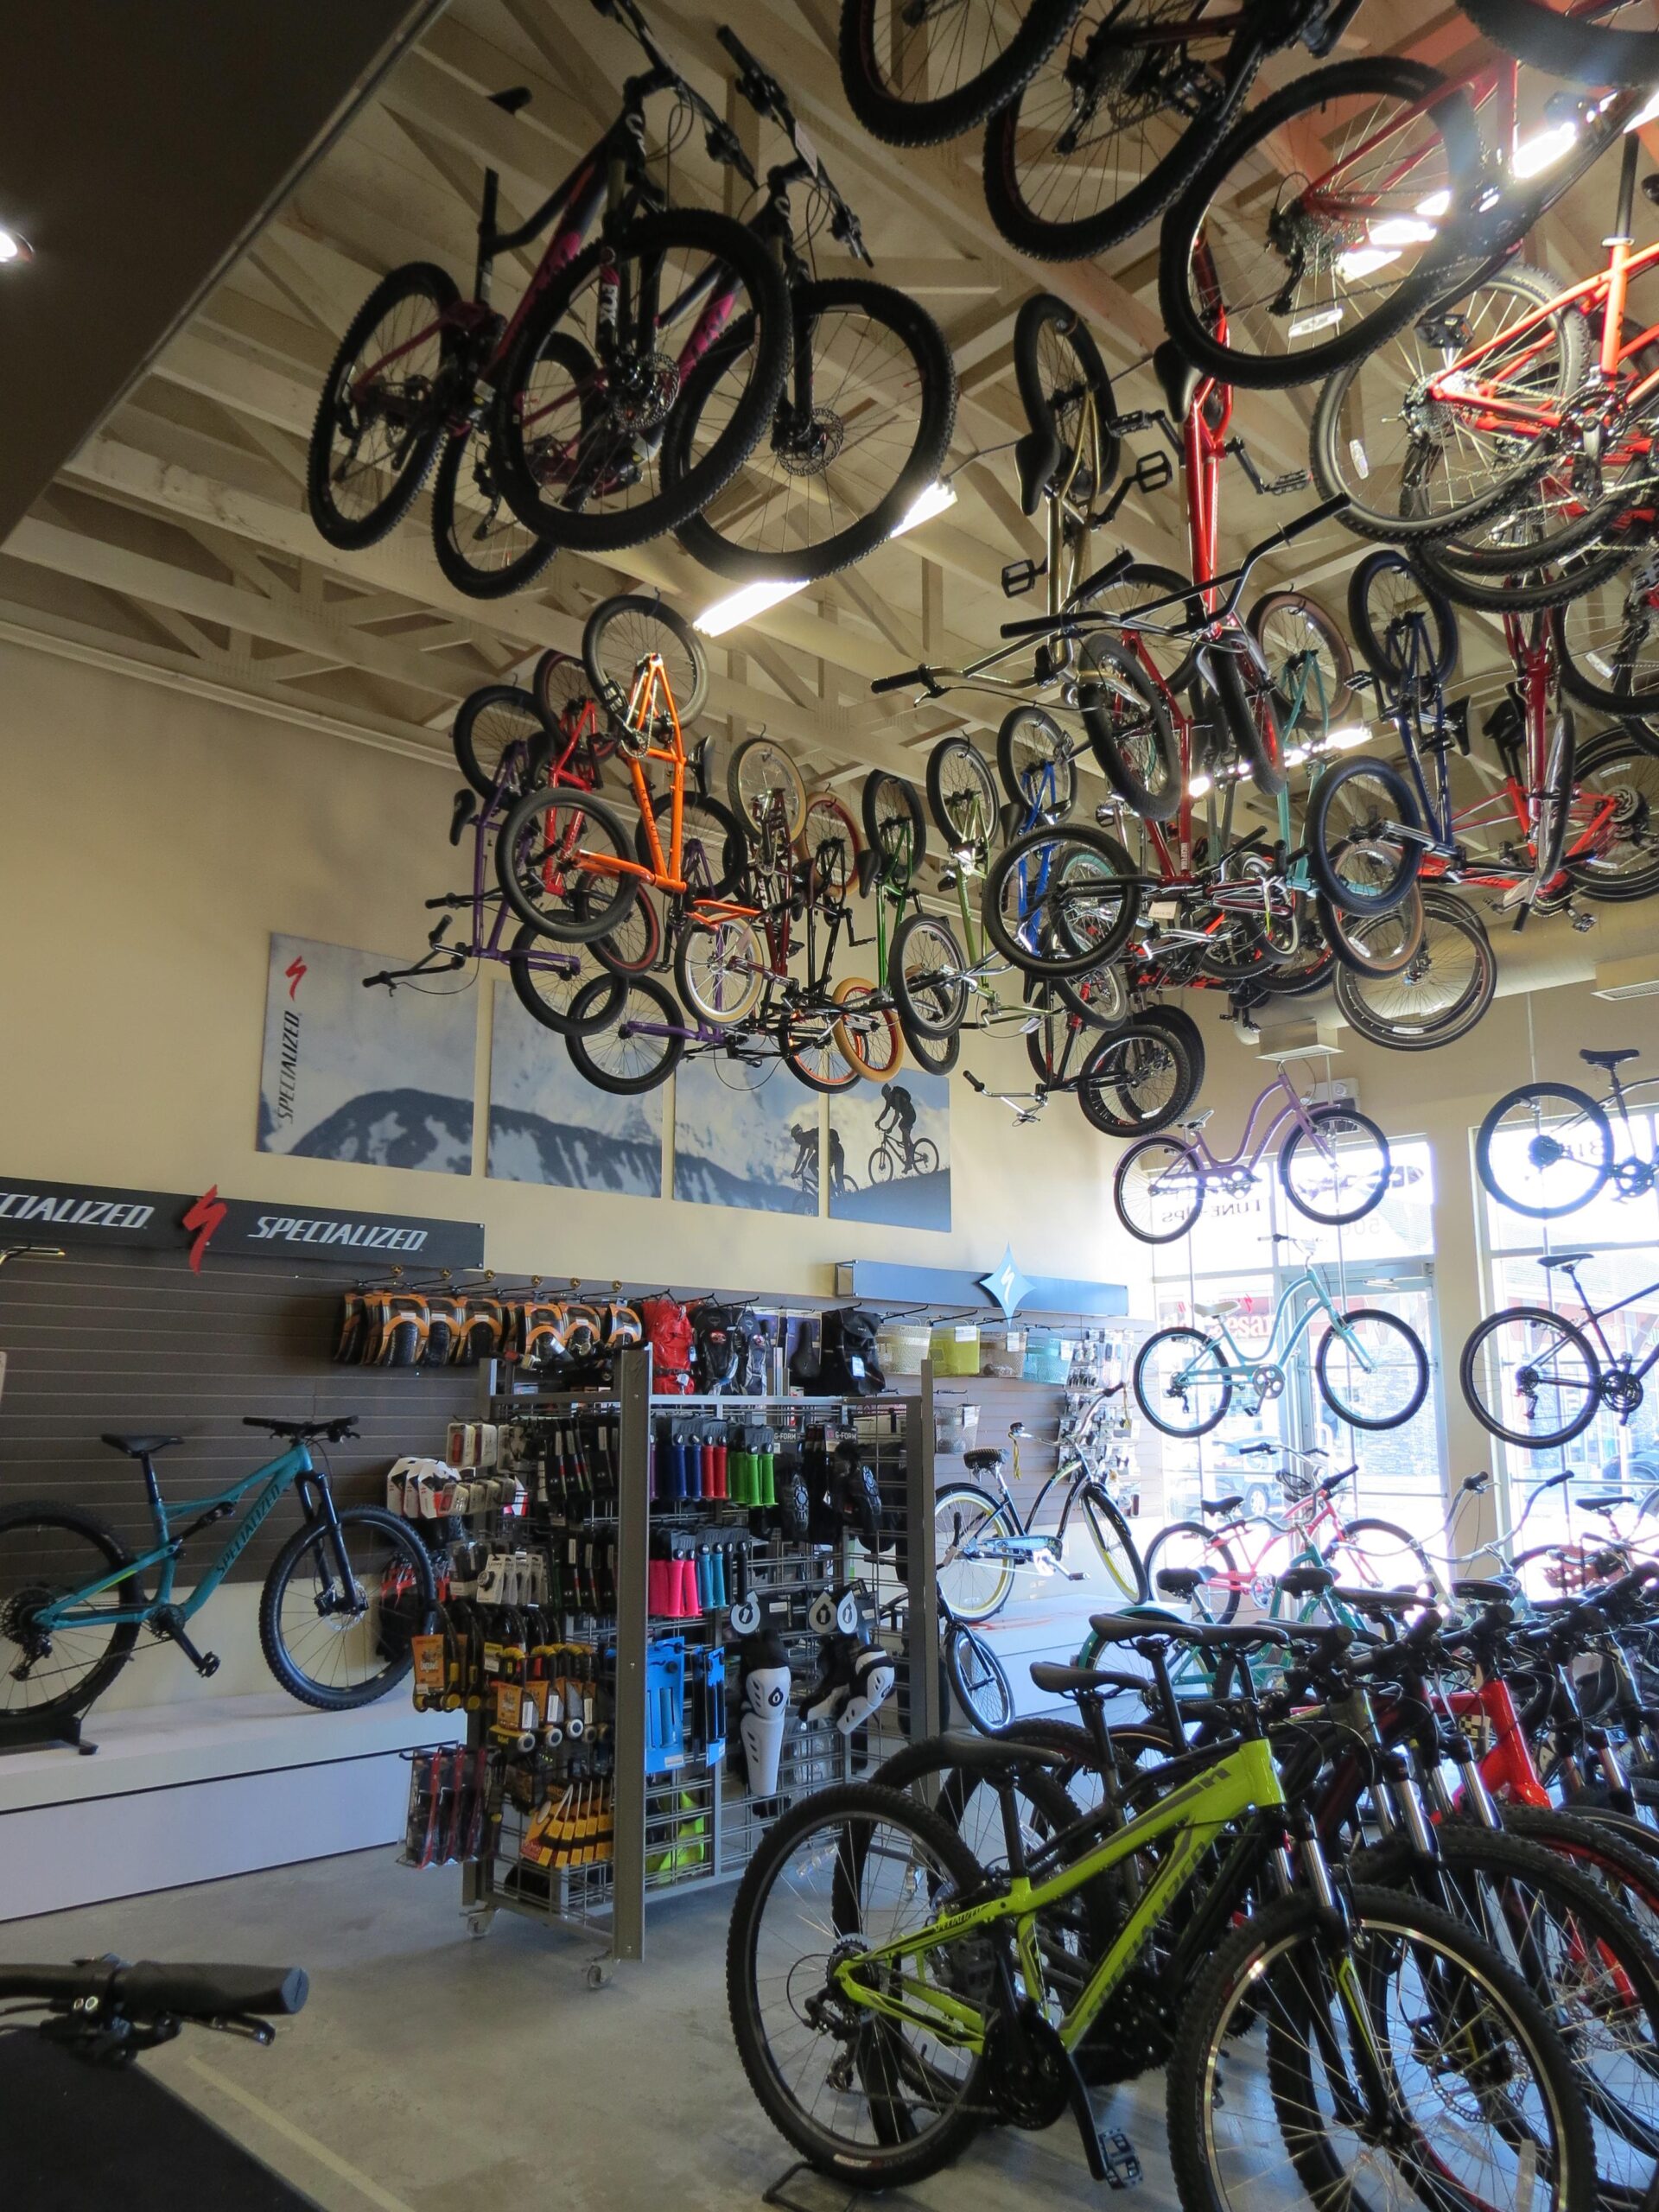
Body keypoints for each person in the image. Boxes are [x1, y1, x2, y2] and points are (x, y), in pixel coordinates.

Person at [876, 1082, 918, 1173]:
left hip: (911, 1115)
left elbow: (897, 1115)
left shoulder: (896, 1097)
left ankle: (912, 1145)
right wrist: (878, 1121)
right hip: (906, 1117)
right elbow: (885, 1112)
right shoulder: (889, 1100)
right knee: (905, 1142)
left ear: (889, 1093)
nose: (886, 1099)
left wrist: (891, 1128)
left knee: (901, 1125)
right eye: (885, 1098)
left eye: (886, 1097)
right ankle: (909, 1164)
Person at [790, 1122, 819, 1188]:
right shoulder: (803, 1144)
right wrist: (795, 1171)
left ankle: (821, 1181)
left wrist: (806, 1160)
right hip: (821, 1150)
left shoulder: (807, 1136)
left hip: (828, 1149)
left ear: (799, 1135)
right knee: (812, 1164)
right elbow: (800, 1158)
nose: (796, 1141)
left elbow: (811, 1147)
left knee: (811, 1164)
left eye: (796, 1138)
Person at [827, 1125, 849, 1199]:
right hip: (835, 1154)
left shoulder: (831, 1134)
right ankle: (834, 1191)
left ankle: (843, 1195)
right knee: (828, 1173)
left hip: (838, 1154)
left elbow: (833, 1149)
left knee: (838, 1176)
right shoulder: (831, 1133)